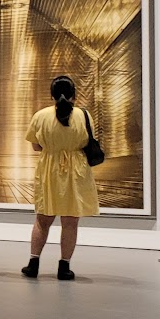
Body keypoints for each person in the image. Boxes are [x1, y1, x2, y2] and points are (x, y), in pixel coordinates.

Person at [23, 75, 101, 281]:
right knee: (70, 222)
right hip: (76, 170)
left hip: (49, 168)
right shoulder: (84, 115)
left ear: (52, 95)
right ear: (75, 94)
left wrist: (53, 146)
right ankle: (64, 267)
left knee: (42, 220)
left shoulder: (40, 116)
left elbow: (36, 146)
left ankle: (33, 264)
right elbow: (89, 140)